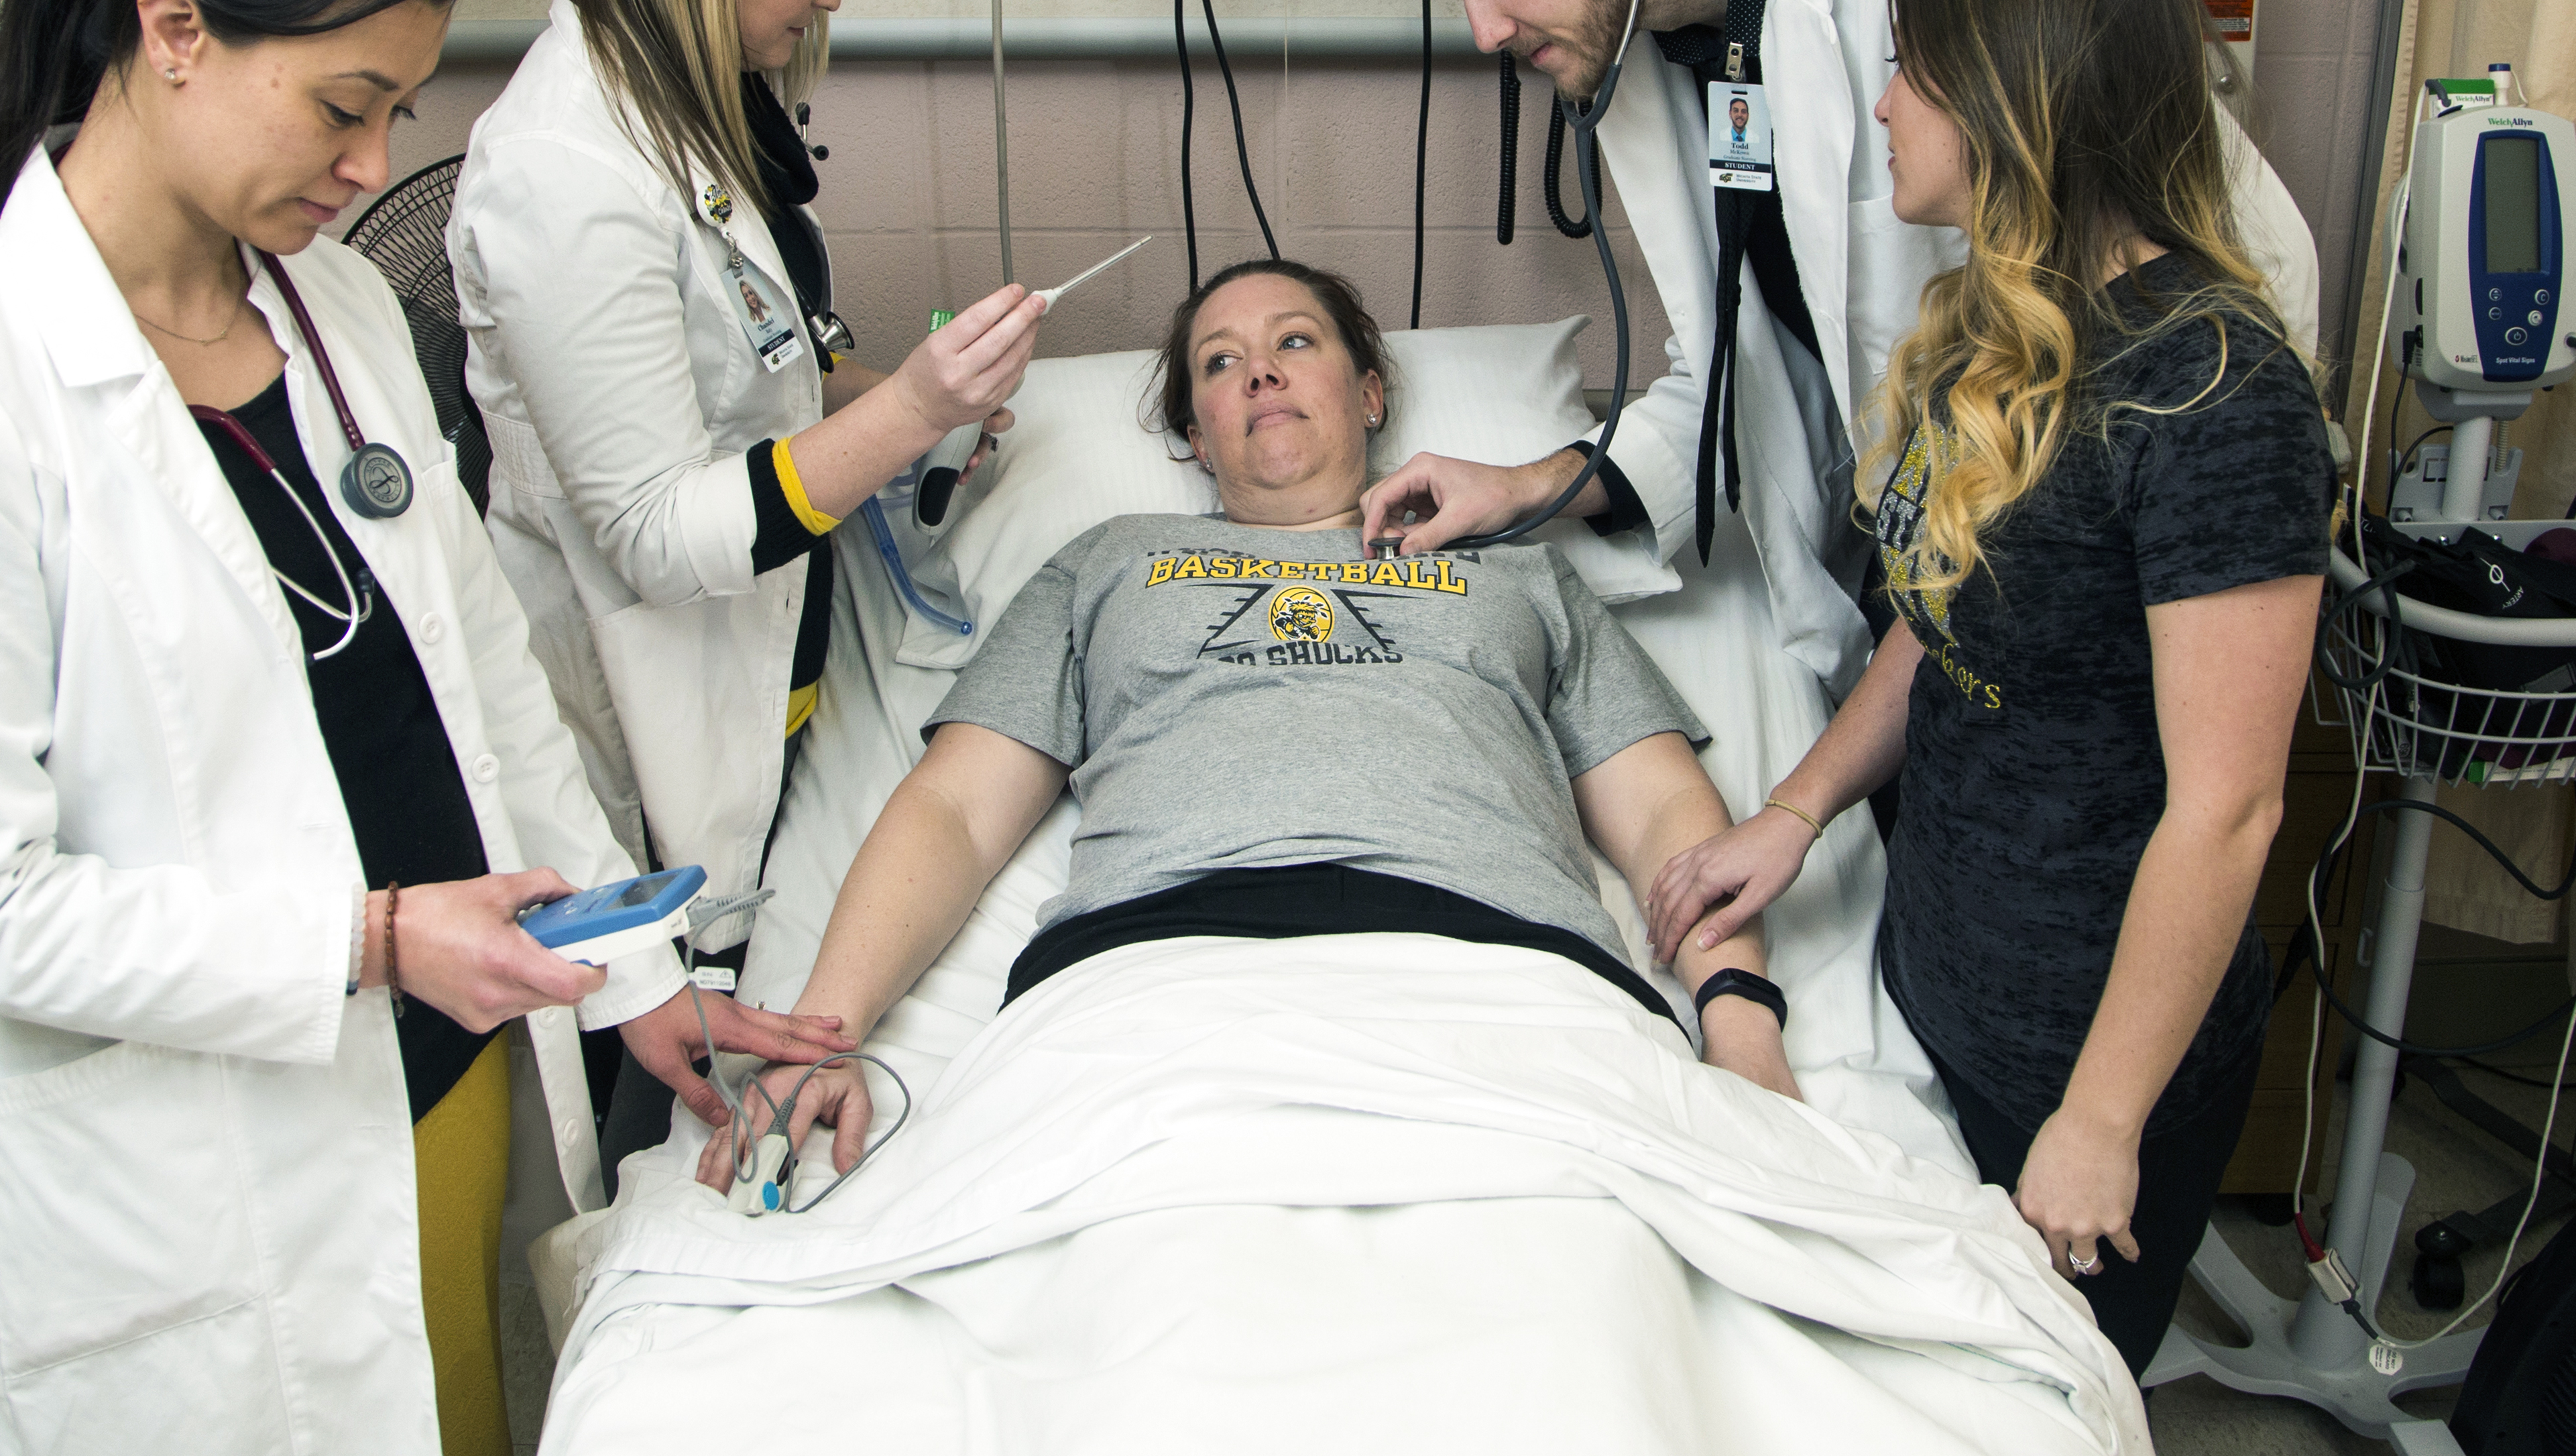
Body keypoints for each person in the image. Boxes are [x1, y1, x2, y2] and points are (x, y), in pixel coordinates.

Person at [0, 0, 848, 1456]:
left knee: (457, 1400)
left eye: (395, 109)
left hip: (441, 1073)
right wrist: (364, 943)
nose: (373, 169)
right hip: (208, 1163)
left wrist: (625, 964)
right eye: (343, 107)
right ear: (173, 30)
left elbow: (486, 682)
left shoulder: (334, 303)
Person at [1643, 0, 2333, 1375]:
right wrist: (1794, 808)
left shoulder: (2210, 387)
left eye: (1910, 69)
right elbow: (1931, 620)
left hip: (2093, 1054)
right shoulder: (2007, 335)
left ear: (2019, 90)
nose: (1881, 105)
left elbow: (2229, 808)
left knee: (2044, 1395)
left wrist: (2098, 1119)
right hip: (1942, 986)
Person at [702, 258, 1800, 1184]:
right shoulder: (1105, 563)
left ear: (1372, 394)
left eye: (1295, 343)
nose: (1260, 370)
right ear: (1191, 433)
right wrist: (821, 1038)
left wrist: (1739, 1020)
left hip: (1501, 976)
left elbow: (1664, 812)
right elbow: (952, 809)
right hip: (1153, 983)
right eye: (1219, 363)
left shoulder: (1518, 575)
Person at [1364, 0, 2321, 696]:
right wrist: (1537, 485)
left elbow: (2242, 268)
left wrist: (2191, 540)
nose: (1484, 30)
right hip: (1927, 586)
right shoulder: (1647, 41)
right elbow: (1748, 376)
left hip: (2100, 593)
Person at [449, 0, 1047, 997]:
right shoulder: (566, 173)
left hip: (761, 651)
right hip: (645, 682)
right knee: (663, 1018)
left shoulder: (685, 107)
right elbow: (659, 535)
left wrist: (908, 407)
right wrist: (907, 410)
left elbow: (755, 362)